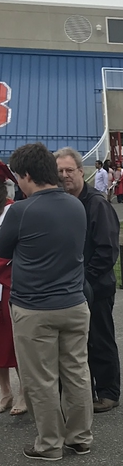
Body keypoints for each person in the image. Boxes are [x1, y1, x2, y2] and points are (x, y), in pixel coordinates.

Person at [0, 143, 93, 460]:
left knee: (40, 379)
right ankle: (80, 436)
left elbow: (4, 249)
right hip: (73, 302)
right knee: (76, 372)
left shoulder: (20, 211)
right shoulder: (75, 205)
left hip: (34, 307)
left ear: (27, 175)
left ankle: (49, 443)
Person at [56, 148, 122, 413]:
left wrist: (85, 280)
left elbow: (107, 250)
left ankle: (108, 392)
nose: (64, 176)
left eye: (69, 170)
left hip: (96, 285)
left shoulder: (96, 204)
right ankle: (85, 392)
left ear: (81, 172)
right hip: (71, 287)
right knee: (76, 344)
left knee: (100, 338)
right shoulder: (61, 203)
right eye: (59, 171)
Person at [0, 167, 25, 416]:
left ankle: (24, 391)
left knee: (15, 338)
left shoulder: (12, 210)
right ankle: (4, 391)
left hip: (8, 281)